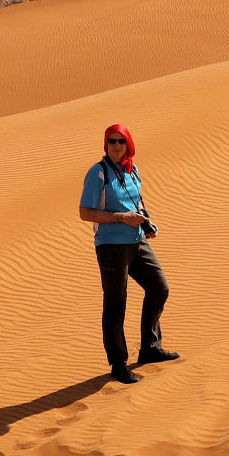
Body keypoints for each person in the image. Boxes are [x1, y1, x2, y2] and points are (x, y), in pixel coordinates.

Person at [77, 123, 178, 384]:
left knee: (159, 287)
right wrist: (122, 218)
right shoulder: (98, 173)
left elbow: (137, 201)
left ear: (128, 144)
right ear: (105, 144)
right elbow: (85, 212)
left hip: (136, 241)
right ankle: (118, 363)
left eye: (121, 141)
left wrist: (145, 223)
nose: (116, 146)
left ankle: (150, 348)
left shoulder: (132, 169)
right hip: (111, 246)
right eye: (112, 141)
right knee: (116, 302)